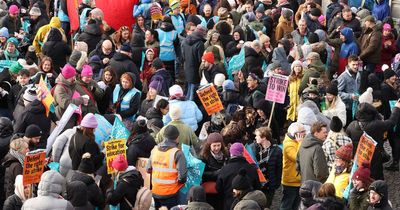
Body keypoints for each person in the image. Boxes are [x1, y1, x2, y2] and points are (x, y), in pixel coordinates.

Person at [346, 102, 400, 180]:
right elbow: (391, 122)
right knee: (377, 177)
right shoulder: (375, 125)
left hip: (359, 157)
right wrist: (397, 108)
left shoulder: (351, 125)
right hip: (374, 157)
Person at [146, 125, 187, 209]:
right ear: (177, 137)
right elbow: (182, 177)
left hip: (156, 192)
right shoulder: (178, 153)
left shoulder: (154, 150)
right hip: (170, 194)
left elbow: (148, 169)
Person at [216, 143, 261, 210]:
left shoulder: (224, 170)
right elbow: (257, 186)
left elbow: (218, 189)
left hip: (229, 205)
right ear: (243, 153)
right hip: (249, 205)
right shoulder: (252, 168)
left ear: (231, 154)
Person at [249, 127, 282, 208]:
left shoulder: (277, 150)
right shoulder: (252, 148)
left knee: (267, 206)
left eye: (257, 136)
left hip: (269, 185)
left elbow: (279, 169)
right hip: (256, 185)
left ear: (264, 138)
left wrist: (276, 183)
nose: (255, 137)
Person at [280, 122, 306, 210]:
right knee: (287, 205)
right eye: (303, 132)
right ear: (296, 134)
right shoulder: (288, 145)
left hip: (298, 180)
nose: (305, 133)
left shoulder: (297, 141)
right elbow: (298, 157)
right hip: (290, 181)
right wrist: (300, 142)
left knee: (296, 205)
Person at [199, 133, 228, 209]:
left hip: (223, 187)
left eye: (218, 145)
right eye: (214, 146)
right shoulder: (204, 157)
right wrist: (216, 173)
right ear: (209, 145)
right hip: (211, 190)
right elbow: (201, 174)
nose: (217, 148)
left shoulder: (226, 154)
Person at [53, 64, 84, 130]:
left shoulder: (71, 84)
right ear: (69, 76)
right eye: (73, 76)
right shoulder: (60, 88)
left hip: (70, 118)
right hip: (62, 120)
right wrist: (81, 100)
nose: (74, 78)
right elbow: (65, 104)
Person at [181, 25, 206, 100]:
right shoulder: (200, 43)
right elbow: (200, 59)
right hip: (195, 70)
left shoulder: (185, 40)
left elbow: (183, 55)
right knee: (193, 93)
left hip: (187, 68)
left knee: (188, 90)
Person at [358, 15, 382, 93]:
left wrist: (360, 56)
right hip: (365, 58)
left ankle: (367, 92)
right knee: (363, 76)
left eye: (365, 22)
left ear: (369, 22)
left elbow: (372, 47)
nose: (364, 24)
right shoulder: (368, 31)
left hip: (371, 60)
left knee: (368, 77)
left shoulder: (376, 33)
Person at [337, 55, 361, 126]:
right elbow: (338, 93)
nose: (355, 67)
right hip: (347, 108)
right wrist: (350, 96)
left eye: (357, 64)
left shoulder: (358, 74)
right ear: (348, 64)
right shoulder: (343, 77)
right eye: (353, 65)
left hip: (356, 106)